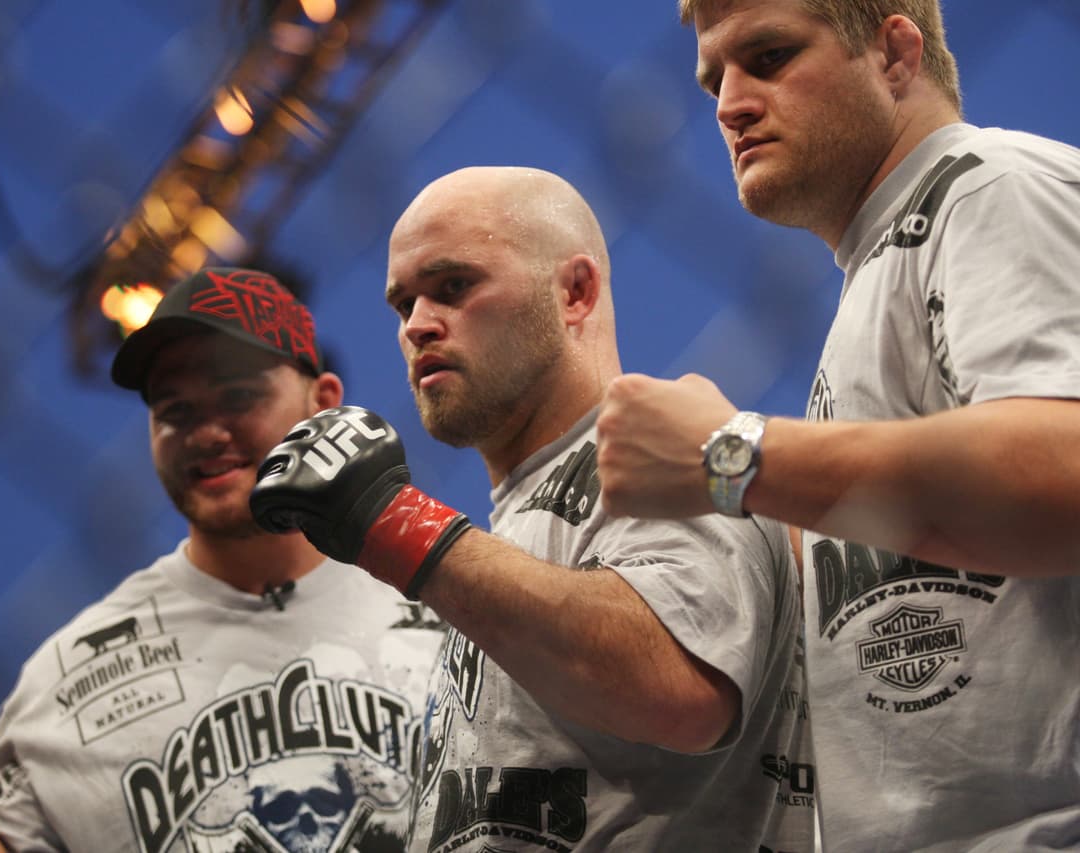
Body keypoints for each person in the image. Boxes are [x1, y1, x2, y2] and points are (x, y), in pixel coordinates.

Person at [593, 2, 1080, 849]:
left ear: (896, 54)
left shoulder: (991, 186)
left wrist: (727, 455)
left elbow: (1057, 472)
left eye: (770, 56)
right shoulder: (882, 271)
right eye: (714, 80)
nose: (729, 102)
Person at [249, 166, 814, 851]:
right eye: (404, 306)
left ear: (574, 292)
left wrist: (395, 524)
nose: (420, 326)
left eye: (455, 287)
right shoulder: (515, 534)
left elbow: (682, 685)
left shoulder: (668, 446)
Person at [0, 266, 445, 852]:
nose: (206, 433)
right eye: (176, 411)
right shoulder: (78, 675)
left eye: (238, 396)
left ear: (322, 400)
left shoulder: (443, 594)